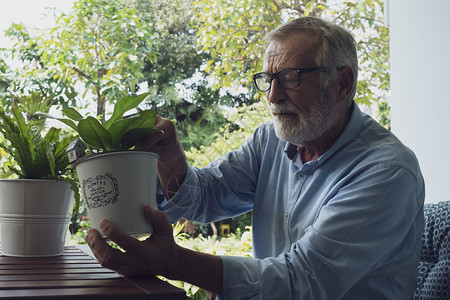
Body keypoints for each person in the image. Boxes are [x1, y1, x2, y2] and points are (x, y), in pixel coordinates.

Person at [85, 16, 425, 299]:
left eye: (290, 78)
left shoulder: (387, 171)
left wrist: (172, 261)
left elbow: (301, 283)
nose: (274, 96)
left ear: (343, 83)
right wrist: (170, 157)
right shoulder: (270, 141)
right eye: (268, 79)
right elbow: (206, 197)